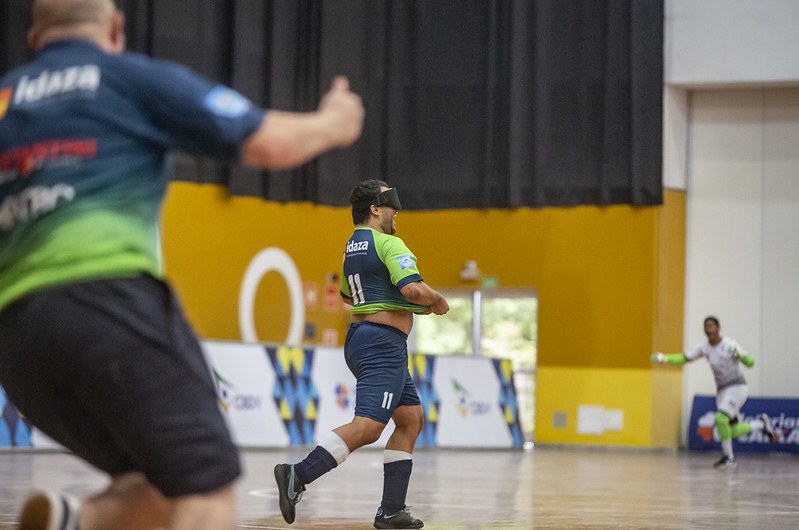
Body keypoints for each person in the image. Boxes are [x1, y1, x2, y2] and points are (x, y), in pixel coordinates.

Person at [0, 0, 364, 528]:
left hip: (16, 342)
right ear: (116, 28)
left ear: (34, 39)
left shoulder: (7, 99)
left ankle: (73, 521)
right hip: (107, 305)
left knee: (158, 485)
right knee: (207, 489)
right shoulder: (126, 77)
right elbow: (270, 143)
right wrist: (335, 122)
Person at [274, 180, 449, 529]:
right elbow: (412, 288)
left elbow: (348, 294)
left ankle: (391, 511)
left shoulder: (351, 247)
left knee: (410, 419)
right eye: (390, 207)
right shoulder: (389, 243)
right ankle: (298, 474)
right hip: (382, 344)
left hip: (368, 339)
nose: (395, 213)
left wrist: (403, 305)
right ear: (374, 209)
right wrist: (436, 300)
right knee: (369, 427)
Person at [651, 316, 777, 469]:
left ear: (718, 328)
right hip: (722, 390)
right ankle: (760, 424)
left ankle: (729, 458)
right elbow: (684, 358)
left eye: (711, 326)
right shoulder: (705, 347)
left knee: (720, 418)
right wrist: (664, 358)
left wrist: (740, 355)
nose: (708, 329)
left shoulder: (729, 344)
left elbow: (751, 363)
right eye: (706, 326)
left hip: (737, 387)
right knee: (728, 429)